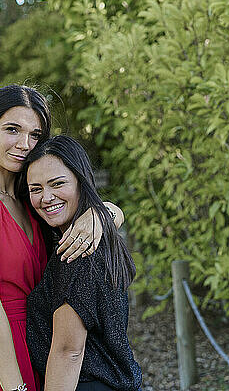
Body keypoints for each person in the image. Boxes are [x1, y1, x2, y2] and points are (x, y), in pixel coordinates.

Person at [0, 85, 124, 391]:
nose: (24, 144)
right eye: (12, 130)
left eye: (35, 135)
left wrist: (105, 212)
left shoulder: (28, 197)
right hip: (1, 363)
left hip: (39, 348)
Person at [21, 135, 142, 390]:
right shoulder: (94, 235)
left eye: (57, 184)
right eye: (36, 189)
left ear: (80, 182)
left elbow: (68, 352)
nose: (46, 197)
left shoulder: (76, 250)